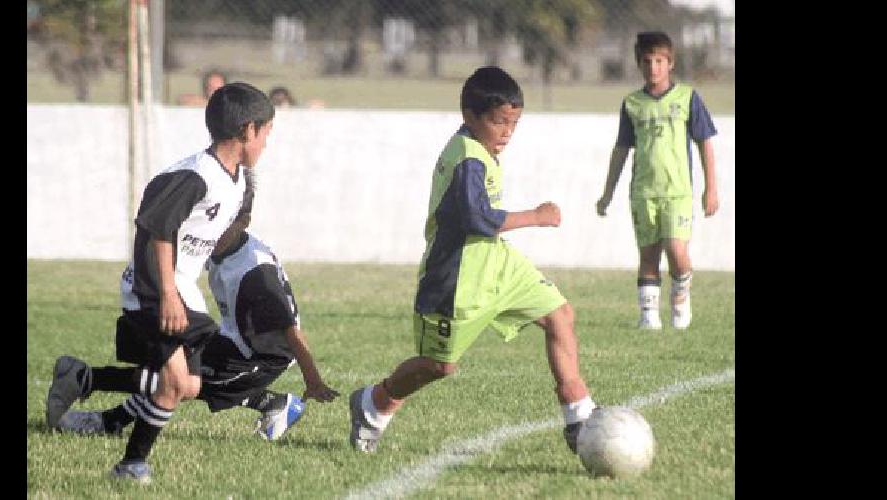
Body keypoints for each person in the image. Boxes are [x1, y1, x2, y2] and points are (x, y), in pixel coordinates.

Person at [345, 66, 597, 454]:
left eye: (514, 123)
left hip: (497, 266)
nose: (507, 133)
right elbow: (477, 220)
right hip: (455, 282)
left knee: (559, 315)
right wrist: (536, 216)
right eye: (499, 122)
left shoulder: (479, 149)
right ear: (470, 116)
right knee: (438, 366)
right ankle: (373, 405)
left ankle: (579, 414)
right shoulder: (466, 159)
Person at [44, 82, 276, 483]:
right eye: (267, 133)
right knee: (174, 383)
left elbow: (207, 232)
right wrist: (167, 292)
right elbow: (157, 231)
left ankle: (82, 377)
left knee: (188, 385)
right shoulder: (193, 176)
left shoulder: (236, 180)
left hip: (183, 290)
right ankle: (131, 465)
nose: (268, 143)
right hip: (155, 289)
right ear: (248, 131)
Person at [56, 205, 340, 441]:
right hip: (232, 339)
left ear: (243, 222)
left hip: (259, 359)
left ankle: (94, 393)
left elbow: (291, 331)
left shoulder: (255, 274)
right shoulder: (224, 247)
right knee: (173, 367)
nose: (213, 232)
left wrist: (313, 381)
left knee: (179, 382)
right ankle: (275, 404)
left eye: (223, 223)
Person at [594, 31, 719, 331]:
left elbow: (704, 143)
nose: (653, 67)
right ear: (639, 64)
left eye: (659, 61)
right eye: (647, 61)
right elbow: (622, 149)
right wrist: (607, 193)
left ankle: (681, 292)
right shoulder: (632, 104)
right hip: (643, 192)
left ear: (670, 63)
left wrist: (710, 188)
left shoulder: (687, 98)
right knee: (648, 255)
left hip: (678, 192)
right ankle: (648, 317)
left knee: (676, 251)